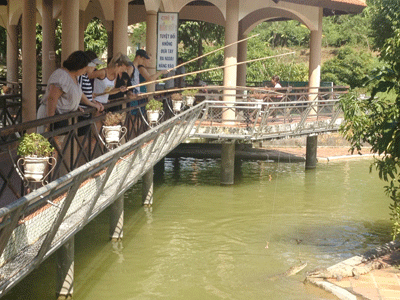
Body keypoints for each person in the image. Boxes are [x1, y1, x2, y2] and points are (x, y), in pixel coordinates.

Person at [37, 50, 103, 133]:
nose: (85, 70)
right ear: (79, 66)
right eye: (84, 68)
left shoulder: (74, 76)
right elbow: (52, 98)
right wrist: (50, 122)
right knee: (47, 143)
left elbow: (78, 94)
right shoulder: (62, 75)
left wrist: (74, 105)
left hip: (62, 117)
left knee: (58, 144)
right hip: (52, 116)